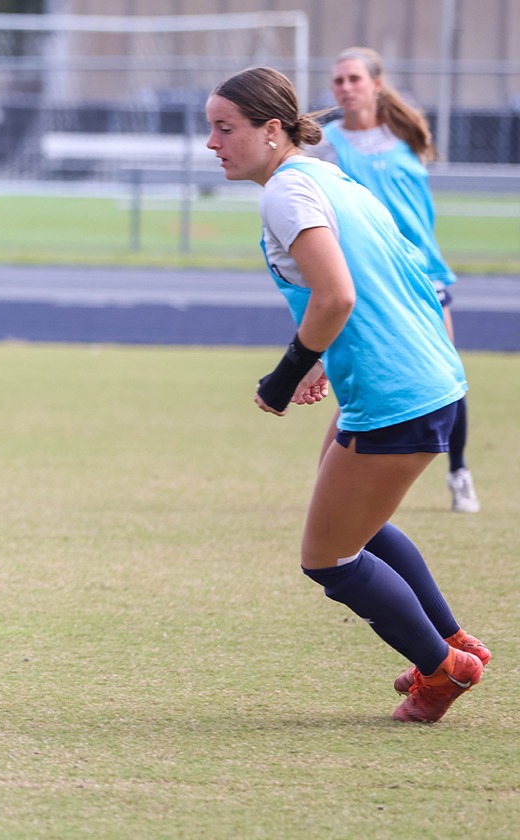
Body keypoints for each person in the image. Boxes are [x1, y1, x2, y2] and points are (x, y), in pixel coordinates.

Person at [206, 66, 487, 723]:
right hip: (420, 376)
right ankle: (447, 639)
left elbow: (338, 295)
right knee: (355, 521)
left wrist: (284, 376)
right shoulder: (326, 177)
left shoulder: (286, 194)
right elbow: (389, 278)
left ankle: (443, 673)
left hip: (398, 389)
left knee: (329, 559)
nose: (212, 143)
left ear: (272, 130)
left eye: (225, 128)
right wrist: (328, 358)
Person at [311, 47, 478, 512]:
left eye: (353, 79)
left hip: (423, 272)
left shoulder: (405, 134)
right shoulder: (327, 143)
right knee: (362, 377)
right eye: (338, 80)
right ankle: (332, 476)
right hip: (372, 276)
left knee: (448, 374)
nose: (344, 88)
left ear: (376, 84)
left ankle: (459, 472)